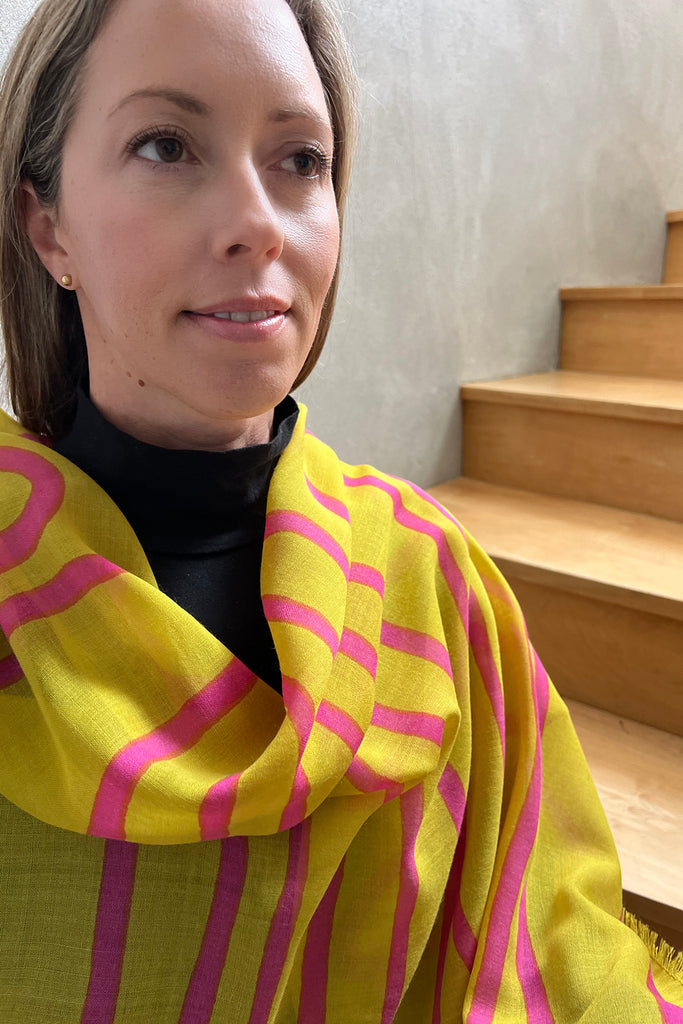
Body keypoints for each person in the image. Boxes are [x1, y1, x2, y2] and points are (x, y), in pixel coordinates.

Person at [0, 0, 680, 1020]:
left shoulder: (431, 580)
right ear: (45, 224)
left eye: (300, 160)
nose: (257, 222)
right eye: (166, 144)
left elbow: (557, 952)